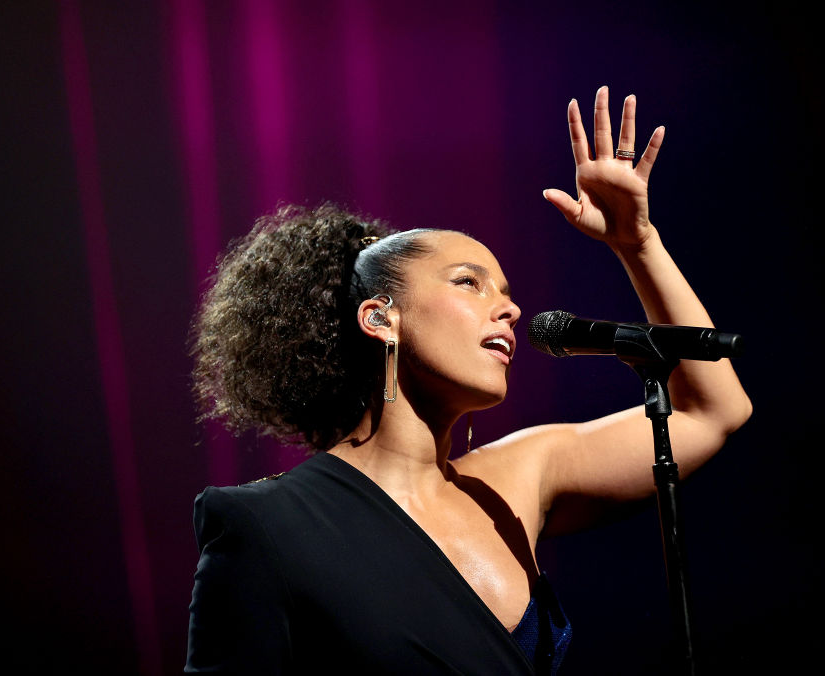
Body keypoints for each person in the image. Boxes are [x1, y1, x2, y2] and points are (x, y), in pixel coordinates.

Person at [185, 86, 752, 675]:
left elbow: (712, 410)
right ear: (381, 318)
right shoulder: (270, 526)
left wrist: (638, 244)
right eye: (469, 283)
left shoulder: (519, 476)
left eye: (507, 294)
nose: (509, 310)